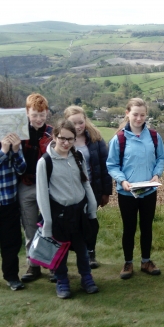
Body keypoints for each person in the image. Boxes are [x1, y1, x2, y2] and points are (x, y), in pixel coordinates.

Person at [36, 119, 99, 299]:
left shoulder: (78, 157)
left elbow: (86, 184)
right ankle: (62, 280)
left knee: (82, 249)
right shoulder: (45, 162)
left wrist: (92, 209)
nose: (65, 143)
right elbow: (41, 194)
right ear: (54, 136)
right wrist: (47, 222)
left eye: (70, 139)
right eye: (62, 138)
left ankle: (86, 277)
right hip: (59, 215)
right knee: (60, 251)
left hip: (79, 213)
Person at [107, 98, 164, 280]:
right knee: (129, 228)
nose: (139, 118)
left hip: (148, 191)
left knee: (147, 227)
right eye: (135, 114)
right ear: (127, 114)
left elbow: (161, 158)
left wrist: (157, 174)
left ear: (146, 115)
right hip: (127, 192)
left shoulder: (155, 137)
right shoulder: (119, 139)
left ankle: (146, 261)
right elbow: (112, 164)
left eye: (142, 115)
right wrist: (122, 181)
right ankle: (128, 263)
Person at [64, 105, 112, 268]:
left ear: (85, 120)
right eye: (73, 123)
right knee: (72, 224)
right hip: (70, 191)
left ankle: (90, 253)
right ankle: (73, 254)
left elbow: (105, 167)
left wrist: (106, 192)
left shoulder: (96, 139)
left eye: (80, 122)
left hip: (92, 189)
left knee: (91, 222)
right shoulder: (62, 140)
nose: (78, 126)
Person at [19, 93, 53, 283]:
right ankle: (33, 265)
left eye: (42, 115)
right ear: (27, 113)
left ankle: (53, 265)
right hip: (26, 184)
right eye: (34, 115)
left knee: (50, 225)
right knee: (29, 226)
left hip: (48, 186)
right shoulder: (19, 133)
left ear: (46, 113)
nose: (38, 119)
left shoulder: (52, 133)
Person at [0, 133, 27, 291]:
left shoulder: (12, 140)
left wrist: (16, 151)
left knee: (11, 242)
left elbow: (22, 170)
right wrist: (3, 152)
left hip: (9, 202)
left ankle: (11, 276)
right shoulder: (5, 146)